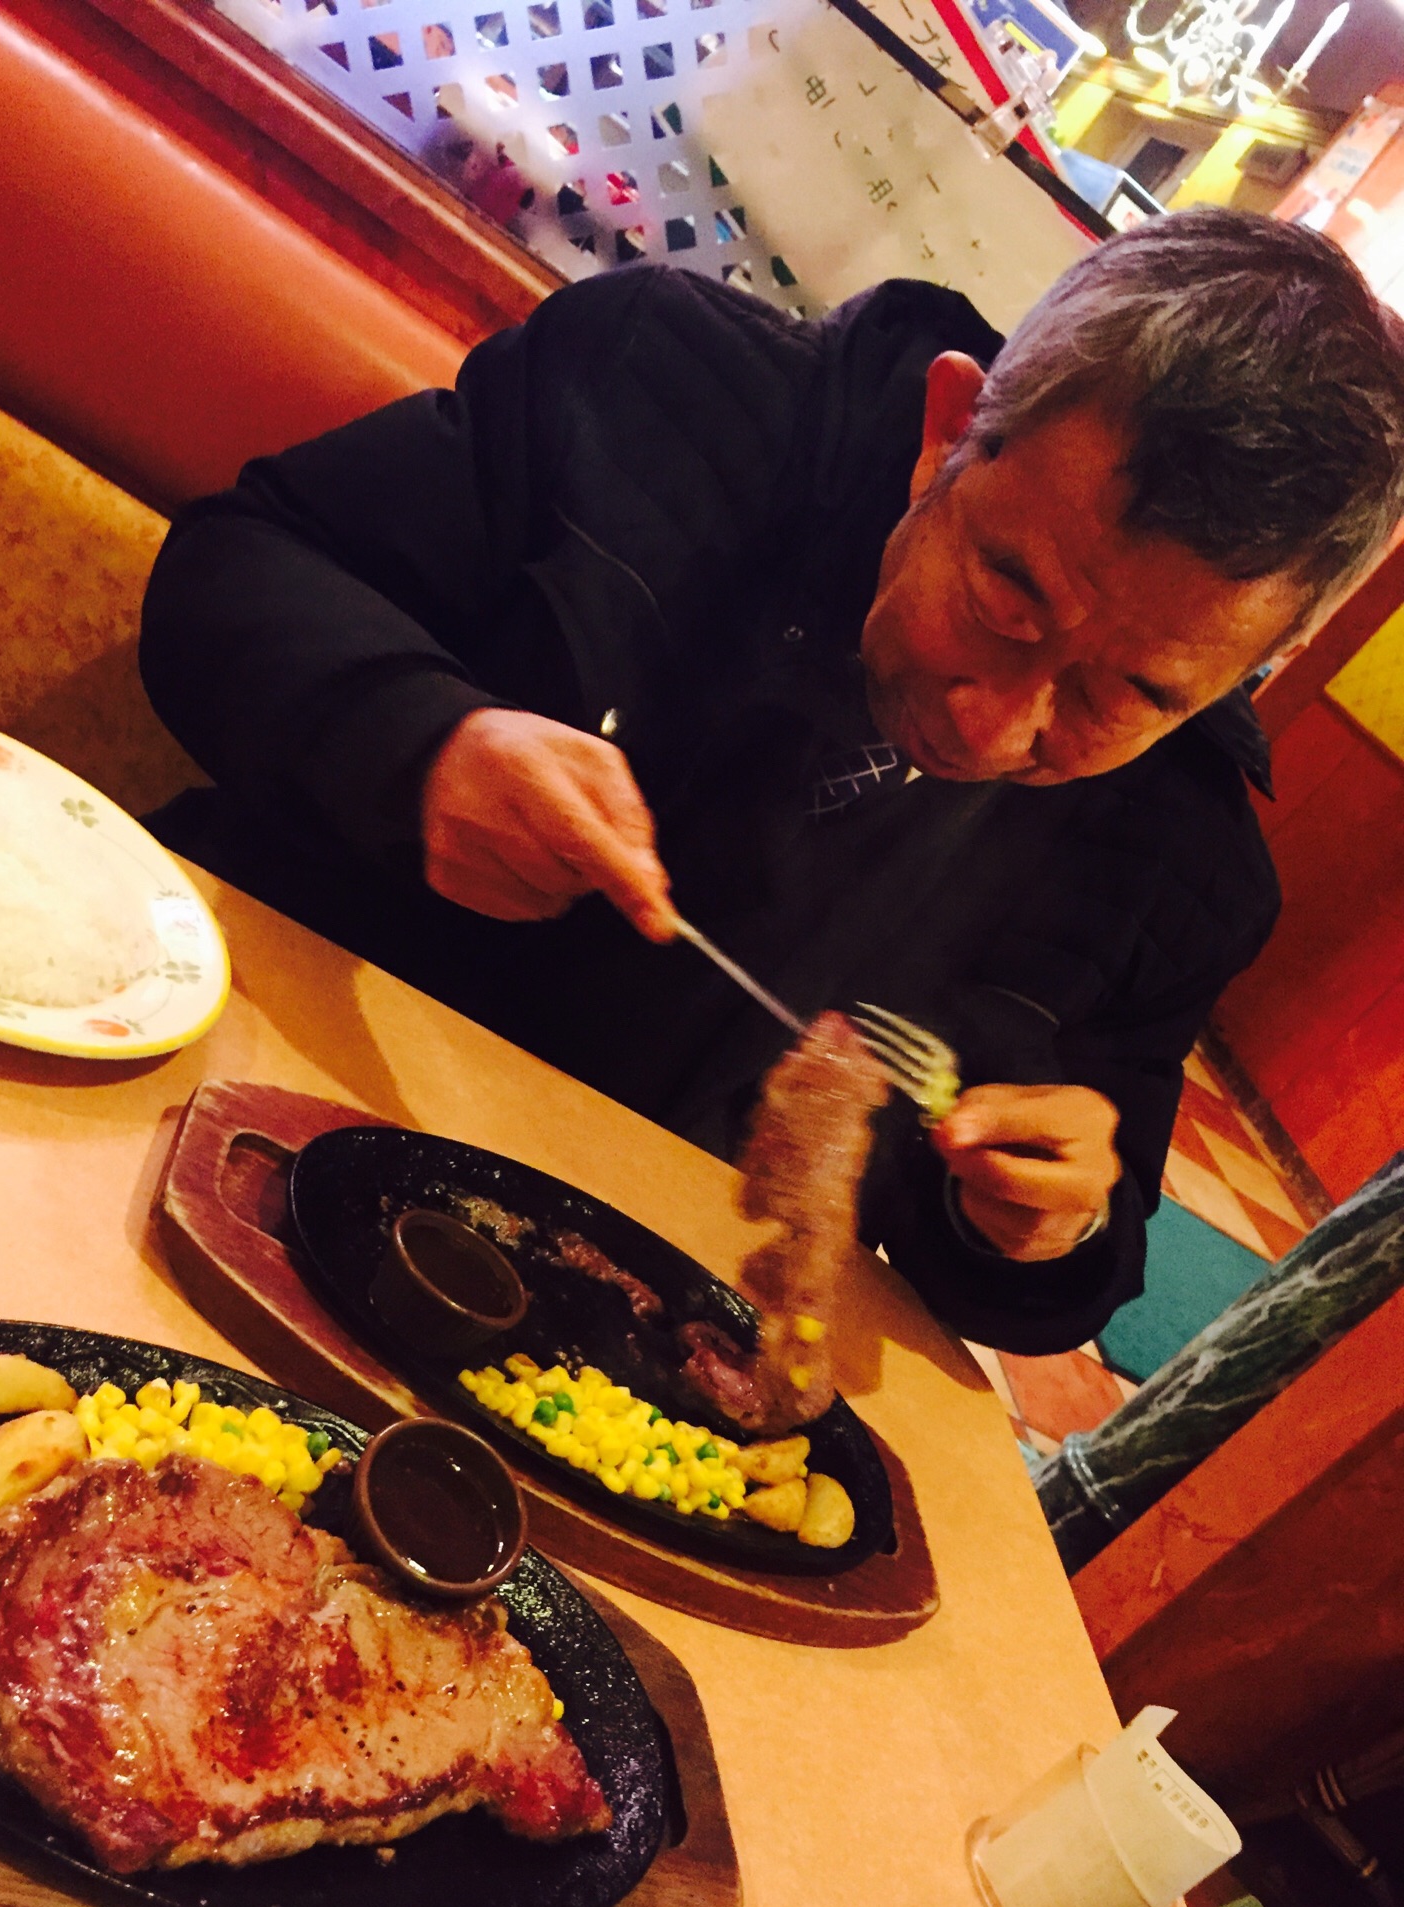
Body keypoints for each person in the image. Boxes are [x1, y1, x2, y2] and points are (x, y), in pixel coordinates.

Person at [138, 209, 1404, 1354]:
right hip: (235, 1076)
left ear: (1245, 667)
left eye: (1126, 694)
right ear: (948, 431)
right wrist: (418, 744)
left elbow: (1072, 1258)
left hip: (590, 1317)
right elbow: (228, 574)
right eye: (1006, 596)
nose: (995, 722)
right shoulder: (663, 386)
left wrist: (1043, 1227)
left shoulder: (1183, 866)